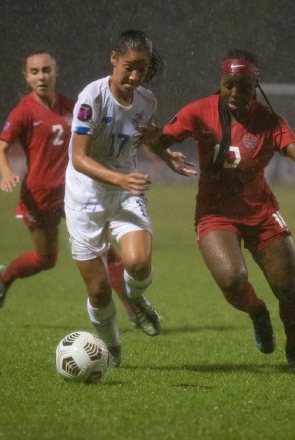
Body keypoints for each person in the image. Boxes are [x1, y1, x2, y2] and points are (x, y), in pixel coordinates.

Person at [148, 49, 295, 372]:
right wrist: (164, 153)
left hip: (262, 214)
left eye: (244, 86)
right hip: (215, 213)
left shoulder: (269, 121)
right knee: (233, 280)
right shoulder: (199, 111)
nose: (235, 93)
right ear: (220, 83)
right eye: (229, 85)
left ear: (256, 86)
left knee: (290, 290)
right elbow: (159, 141)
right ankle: (257, 311)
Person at [65, 30, 189, 367]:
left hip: (124, 193)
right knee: (99, 291)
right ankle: (111, 347)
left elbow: (144, 136)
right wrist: (120, 177)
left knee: (137, 263)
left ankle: (136, 300)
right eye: (129, 67)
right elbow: (79, 158)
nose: (135, 77)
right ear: (113, 59)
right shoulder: (91, 98)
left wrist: (166, 156)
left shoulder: (147, 101)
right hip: (84, 198)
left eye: (143, 69)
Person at [0, 50, 134, 321]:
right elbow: (0, 149)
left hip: (76, 193)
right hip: (40, 196)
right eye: (35, 72)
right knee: (46, 260)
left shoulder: (72, 107)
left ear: (56, 72)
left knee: (106, 251)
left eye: (46, 70)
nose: (41, 76)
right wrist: (6, 172)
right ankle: (4, 278)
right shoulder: (23, 112)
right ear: (27, 77)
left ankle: (133, 310)